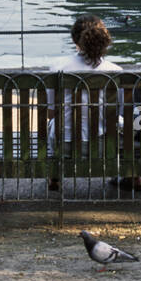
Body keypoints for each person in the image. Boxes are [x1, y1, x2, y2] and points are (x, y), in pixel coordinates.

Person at [46, 16, 122, 191]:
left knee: (54, 124)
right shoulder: (116, 71)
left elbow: (51, 114)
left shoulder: (57, 68)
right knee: (130, 121)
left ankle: (54, 175)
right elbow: (118, 113)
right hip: (104, 147)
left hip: (64, 147)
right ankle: (126, 174)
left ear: (75, 40)